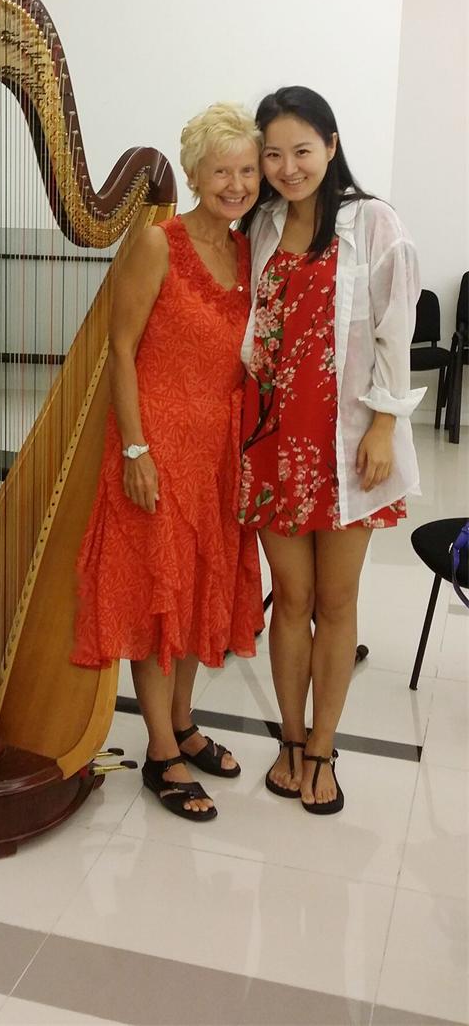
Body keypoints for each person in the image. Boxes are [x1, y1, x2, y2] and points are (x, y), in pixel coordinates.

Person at [72, 103, 265, 821]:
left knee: (195, 589)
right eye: (222, 171)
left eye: (247, 171)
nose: (236, 184)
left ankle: (183, 723)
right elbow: (119, 348)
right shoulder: (158, 243)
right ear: (193, 174)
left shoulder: (247, 253)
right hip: (155, 445)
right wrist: (135, 449)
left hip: (218, 452)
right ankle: (160, 751)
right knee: (159, 595)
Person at [240, 86, 424, 815]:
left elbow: (394, 331)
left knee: (337, 601)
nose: (288, 168)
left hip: (347, 446)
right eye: (273, 154)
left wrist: (383, 425)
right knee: (291, 599)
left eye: (302, 151)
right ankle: (289, 739)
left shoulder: (373, 222)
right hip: (272, 443)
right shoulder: (261, 225)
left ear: (332, 146)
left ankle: (322, 747)